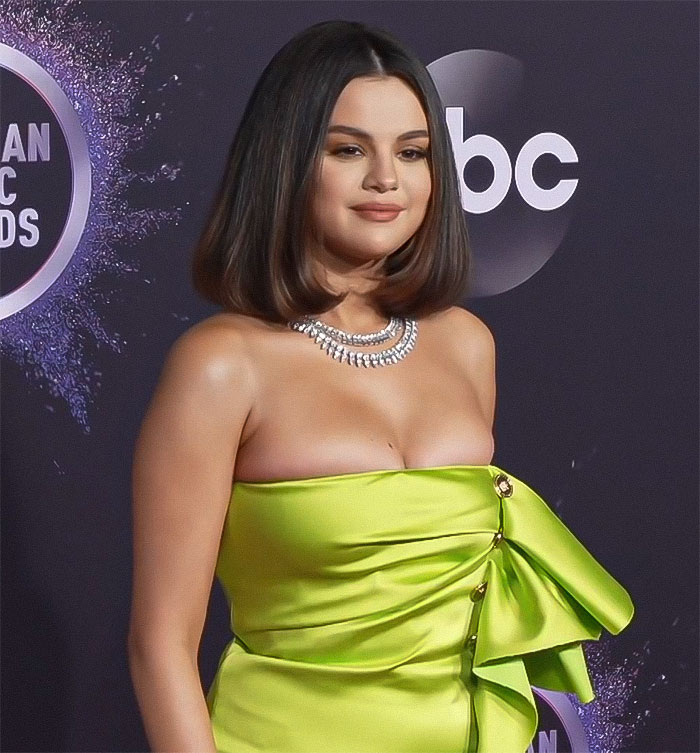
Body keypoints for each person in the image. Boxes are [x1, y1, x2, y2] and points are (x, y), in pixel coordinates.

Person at [127, 19, 635, 753]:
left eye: (413, 152)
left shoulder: (467, 345)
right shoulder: (220, 365)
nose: (386, 181)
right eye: (347, 150)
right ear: (285, 161)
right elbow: (159, 645)